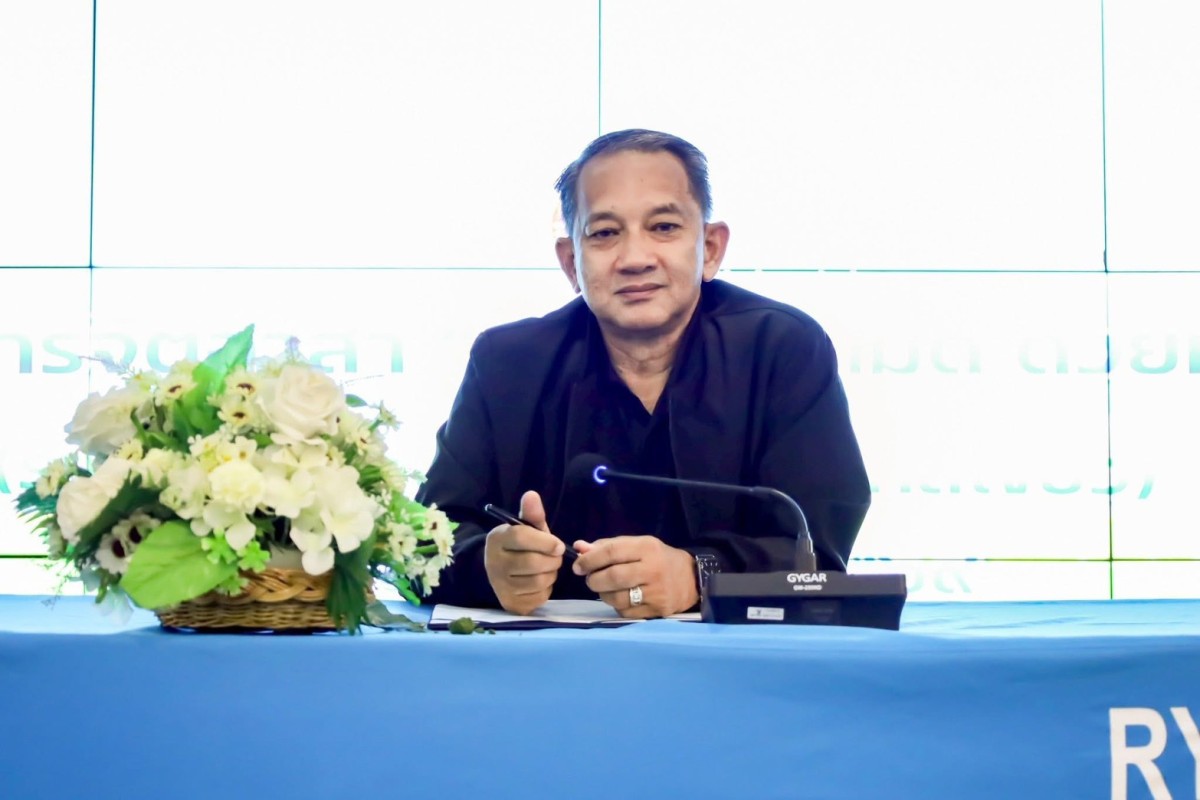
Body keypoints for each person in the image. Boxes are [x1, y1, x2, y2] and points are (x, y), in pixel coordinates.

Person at [415, 129, 870, 618]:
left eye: (664, 227)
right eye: (605, 233)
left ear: (711, 248)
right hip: (549, 661)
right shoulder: (507, 364)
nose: (634, 259)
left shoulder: (782, 349)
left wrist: (698, 576)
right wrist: (487, 568)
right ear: (571, 262)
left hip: (735, 661)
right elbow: (418, 546)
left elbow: (818, 555)